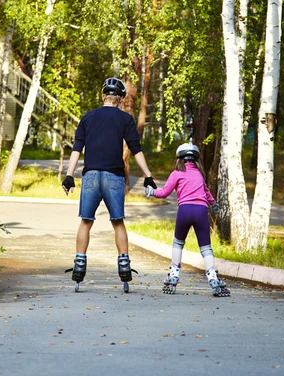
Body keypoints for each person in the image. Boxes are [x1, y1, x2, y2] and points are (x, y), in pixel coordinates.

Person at [62, 76, 156, 290]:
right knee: (118, 222)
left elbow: (77, 148)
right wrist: (148, 176)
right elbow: (136, 149)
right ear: (120, 98)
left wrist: (69, 175)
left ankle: (79, 266)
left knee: (86, 222)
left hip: (91, 176)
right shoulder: (125, 119)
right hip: (114, 177)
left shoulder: (88, 117)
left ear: (103, 95)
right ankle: (124, 267)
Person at [146, 142, 230, 297]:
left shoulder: (176, 174)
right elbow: (206, 192)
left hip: (184, 211)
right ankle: (212, 277)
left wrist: (151, 192)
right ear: (195, 160)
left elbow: (164, 192)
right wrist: (214, 204)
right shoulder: (199, 174)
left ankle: (174, 275)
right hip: (201, 211)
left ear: (179, 159)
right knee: (206, 248)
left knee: (178, 243)